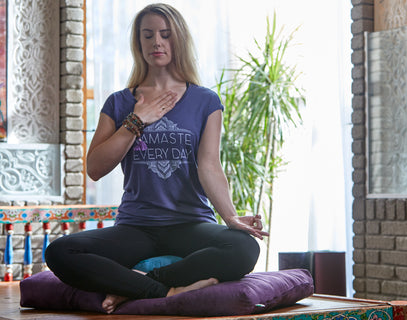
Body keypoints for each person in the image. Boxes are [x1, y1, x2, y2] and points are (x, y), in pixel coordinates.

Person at [45, 3, 268, 314]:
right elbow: (95, 168)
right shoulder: (121, 102)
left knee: (244, 247)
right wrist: (137, 119)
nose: (157, 43)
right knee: (59, 251)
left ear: (179, 40)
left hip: (191, 223)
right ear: (139, 43)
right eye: (147, 36)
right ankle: (166, 290)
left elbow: (209, 165)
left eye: (165, 35)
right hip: (136, 227)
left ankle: (139, 285)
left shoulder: (205, 100)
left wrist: (230, 216)